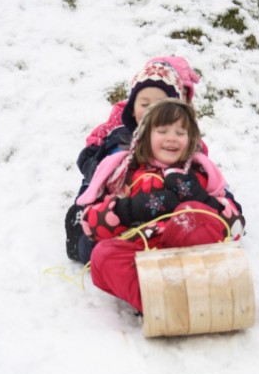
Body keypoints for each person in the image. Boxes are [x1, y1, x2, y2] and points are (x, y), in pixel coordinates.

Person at [76, 99, 245, 314]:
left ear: (191, 139)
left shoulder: (199, 174)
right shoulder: (125, 175)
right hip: (144, 258)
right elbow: (90, 225)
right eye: (162, 131)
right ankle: (161, 304)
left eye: (180, 133)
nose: (171, 138)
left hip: (190, 255)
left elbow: (236, 226)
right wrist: (130, 209)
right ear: (145, 137)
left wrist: (198, 197)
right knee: (102, 256)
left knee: (191, 214)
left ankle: (191, 293)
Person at [66, 58, 204, 264]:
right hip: (116, 193)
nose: (151, 111)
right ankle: (83, 231)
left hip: (157, 208)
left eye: (159, 106)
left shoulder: (178, 138)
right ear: (132, 107)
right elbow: (99, 165)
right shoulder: (120, 134)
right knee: (94, 241)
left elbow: (203, 168)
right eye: (145, 104)